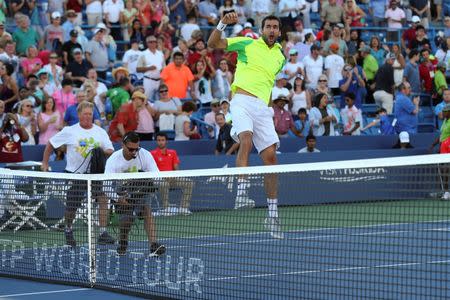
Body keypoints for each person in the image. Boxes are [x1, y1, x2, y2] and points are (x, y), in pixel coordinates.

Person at [207, 13, 287, 239]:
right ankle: (241, 193)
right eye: (268, 26)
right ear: (262, 30)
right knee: (247, 139)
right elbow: (213, 44)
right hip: (241, 100)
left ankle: (272, 216)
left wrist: (268, 108)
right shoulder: (247, 43)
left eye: (275, 27)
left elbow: (268, 83)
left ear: (279, 32)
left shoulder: (280, 57)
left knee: (271, 159)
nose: (271, 30)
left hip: (262, 108)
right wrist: (223, 23)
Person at [41, 101, 116, 247]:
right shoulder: (70, 130)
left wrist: (100, 151)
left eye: (90, 114)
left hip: (95, 174)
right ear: (79, 115)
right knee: (72, 206)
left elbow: (110, 150)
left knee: (103, 199)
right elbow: (50, 143)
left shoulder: (100, 132)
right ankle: (68, 229)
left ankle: (103, 232)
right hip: (75, 174)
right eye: (85, 114)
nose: (88, 117)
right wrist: (45, 163)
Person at [105, 131, 166, 256]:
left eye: (136, 149)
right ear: (123, 145)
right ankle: (123, 242)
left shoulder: (145, 155)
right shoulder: (113, 160)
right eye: (131, 149)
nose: (134, 152)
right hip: (122, 190)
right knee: (127, 220)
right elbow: (105, 186)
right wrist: (117, 198)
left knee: (146, 210)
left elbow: (157, 176)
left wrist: (151, 182)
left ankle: (154, 245)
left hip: (142, 187)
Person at [150, 132, 193, 216]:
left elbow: (176, 168)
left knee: (189, 183)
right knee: (164, 184)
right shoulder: (152, 154)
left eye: (163, 140)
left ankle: (183, 208)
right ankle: (166, 208)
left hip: (172, 178)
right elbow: (151, 170)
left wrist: (174, 176)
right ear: (156, 141)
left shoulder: (172, 152)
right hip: (158, 180)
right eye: (159, 140)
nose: (161, 142)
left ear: (166, 141)